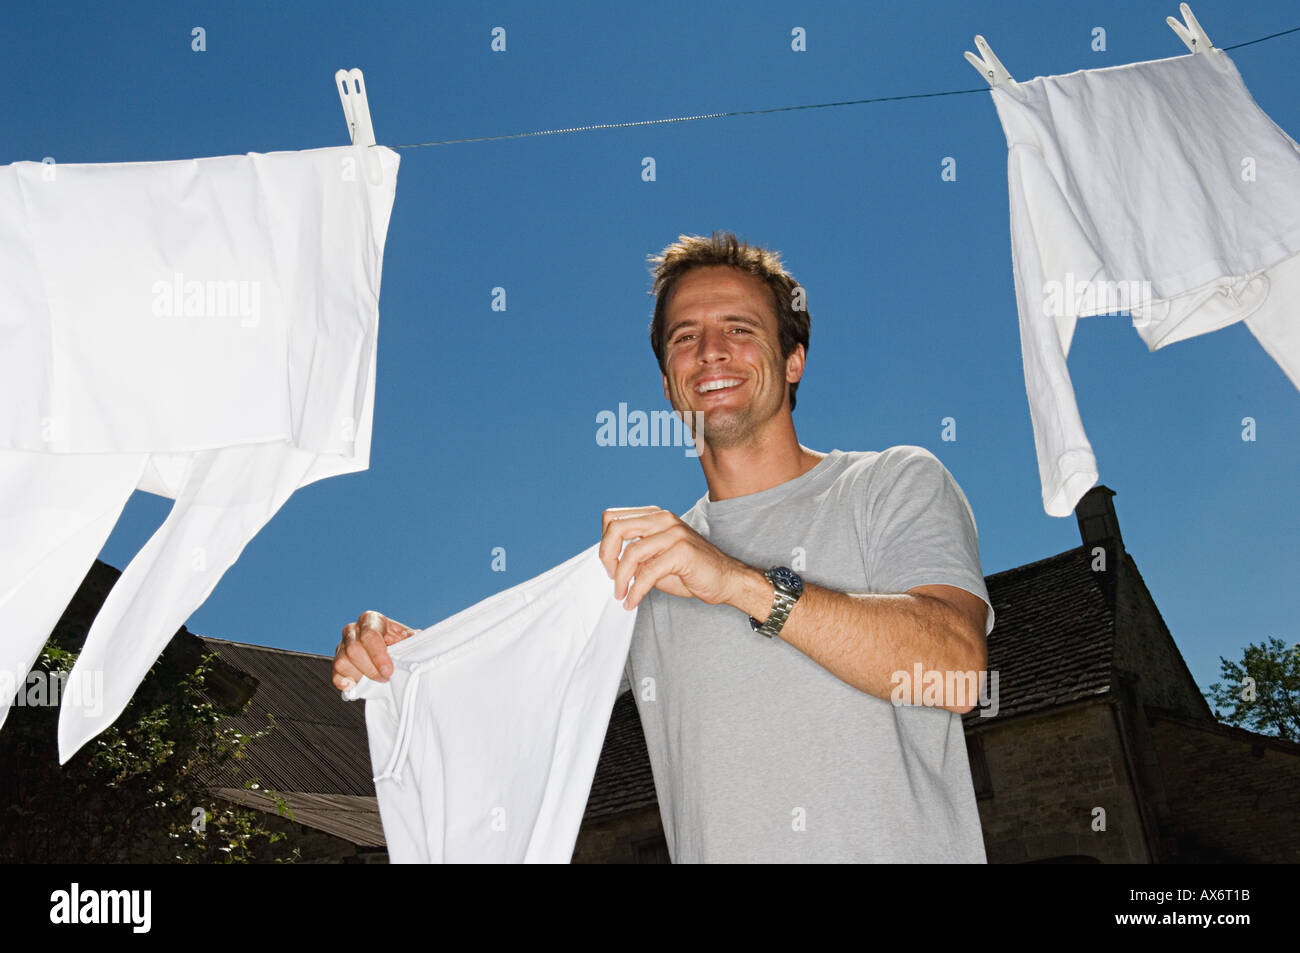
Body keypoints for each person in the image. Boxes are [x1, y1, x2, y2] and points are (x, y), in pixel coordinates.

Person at [332, 230, 994, 862]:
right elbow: (512, 706)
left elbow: (957, 668)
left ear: (794, 358)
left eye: (739, 328)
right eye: (686, 337)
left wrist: (737, 582)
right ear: (667, 382)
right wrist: (409, 661)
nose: (711, 350)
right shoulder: (647, 568)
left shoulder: (891, 484)